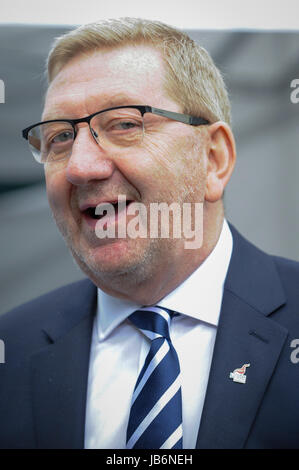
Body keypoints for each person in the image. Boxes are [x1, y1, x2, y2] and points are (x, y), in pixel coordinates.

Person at [0, 17, 298, 450]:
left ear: (213, 159)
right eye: (61, 137)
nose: (82, 166)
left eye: (124, 124)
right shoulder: (12, 348)